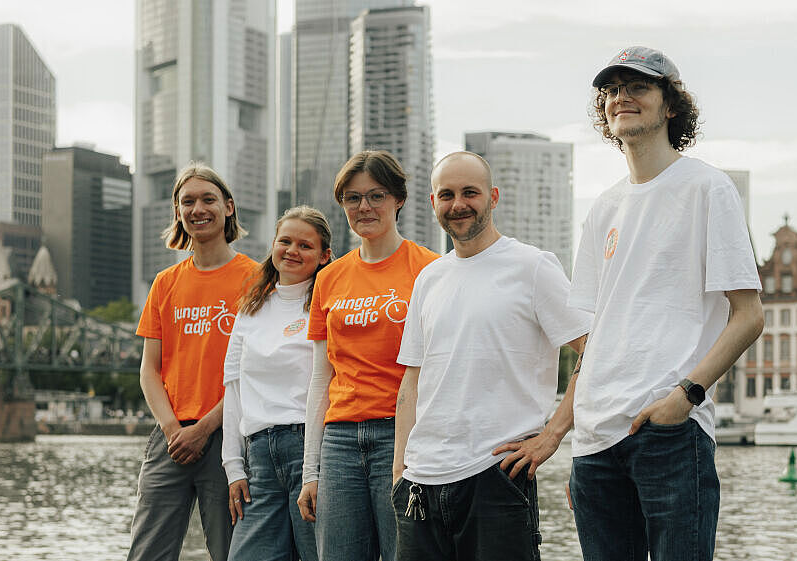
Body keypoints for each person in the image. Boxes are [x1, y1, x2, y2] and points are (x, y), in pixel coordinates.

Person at [563, 46, 765, 560]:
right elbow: (597, 331)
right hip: (596, 442)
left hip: (669, 430)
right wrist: (578, 440)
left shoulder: (706, 188)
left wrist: (687, 395)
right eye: (611, 90)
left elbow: (748, 315)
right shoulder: (602, 207)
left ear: (671, 105)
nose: (621, 98)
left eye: (638, 87)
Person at [391, 152, 591, 561]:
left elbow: (595, 352)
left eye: (470, 192)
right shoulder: (429, 278)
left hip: (496, 474)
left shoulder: (532, 267)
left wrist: (551, 436)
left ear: (493, 197)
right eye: (446, 194)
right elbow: (411, 381)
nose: (458, 204)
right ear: (433, 203)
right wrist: (399, 471)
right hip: (420, 483)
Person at [296, 150, 440, 561]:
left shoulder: (430, 269)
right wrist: (311, 471)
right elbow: (320, 379)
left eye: (376, 196)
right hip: (339, 443)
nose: (364, 207)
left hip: (403, 437)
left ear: (398, 199)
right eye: (353, 198)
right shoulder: (328, 278)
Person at [128, 163, 259, 561]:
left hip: (227, 436)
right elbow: (150, 370)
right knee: (146, 552)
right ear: (177, 212)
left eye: (208, 199)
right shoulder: (165, 282)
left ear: (229, 207)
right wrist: (173, 429)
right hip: (169, 437)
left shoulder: (255, 278)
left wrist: (203, 429)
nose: (198, 209)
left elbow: (252, 373)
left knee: (229, 551)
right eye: (188, 201)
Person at [222, 206, 333, 561]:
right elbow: (234, 388)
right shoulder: (250, 309)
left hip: (309, 448)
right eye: (285, 241)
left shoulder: (326, 304)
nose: (292, 251)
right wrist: (233, 467)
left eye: (305, 245)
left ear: (324, 255)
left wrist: (313, 465)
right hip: (259, 456)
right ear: (273, 245)